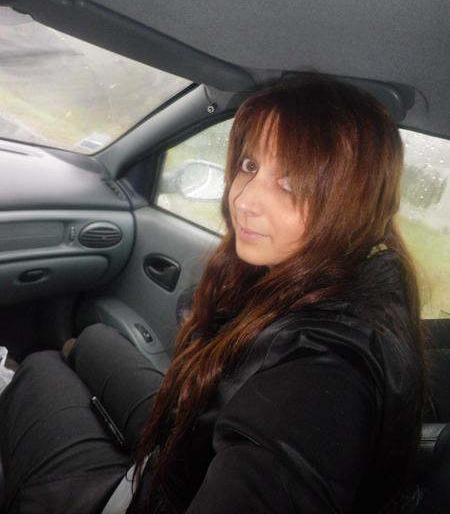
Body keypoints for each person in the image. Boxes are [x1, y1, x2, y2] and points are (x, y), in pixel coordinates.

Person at [0, 75, 425, 513]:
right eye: (250, 165)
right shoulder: (356, 276)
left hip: (149, 494)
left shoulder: (325, 372)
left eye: (290, 183)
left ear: (351, 200)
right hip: (186, 443)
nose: (244, 200)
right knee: (91, 340)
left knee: (41, 367)